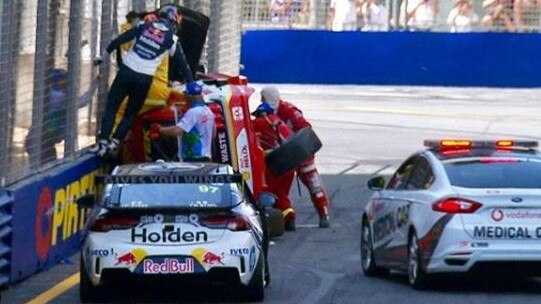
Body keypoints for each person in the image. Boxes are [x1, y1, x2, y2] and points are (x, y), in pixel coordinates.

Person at [90, 5, 193, 157]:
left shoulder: (143, 26)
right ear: (174, 22)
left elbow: (120, 40)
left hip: (127, 72)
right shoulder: (172, 39)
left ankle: (103, 141)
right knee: (130, 113)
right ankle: (115, 142)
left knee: (112, 107)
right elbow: (184, 66)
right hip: (145, 80)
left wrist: (102, 56)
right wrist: (192, 86)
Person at [260, 86, 331, 228]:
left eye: (262, 97)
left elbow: (306, 129)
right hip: (284, 158)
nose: (261, 100)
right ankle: (287, 219)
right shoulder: (265, 113)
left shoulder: (289, 110)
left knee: (314, 184)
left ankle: (323, 214)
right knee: (279, 189)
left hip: (301, 153)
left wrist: (300, 148)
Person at [25, 68, 97, 164]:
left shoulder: (51, 92)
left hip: (40, 140)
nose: (67, 81)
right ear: (58, 81)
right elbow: (84, 101)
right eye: (64, 79)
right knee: (45, 166)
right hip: (42, 141)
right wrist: (95, 84)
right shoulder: (59, 96)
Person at [252, 101, 297, 231]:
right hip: (290, 163)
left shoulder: (259, 123)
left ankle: (286, 217)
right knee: (281, 192)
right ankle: (287, 216)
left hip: (275, 164)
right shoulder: (279, 121)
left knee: (271, 193)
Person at [150, 82, 215, 162]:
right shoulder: (209, 111)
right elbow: (213, 134)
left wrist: (159, 129)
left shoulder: (193, 112)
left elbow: (176, 130)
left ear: (189, 96)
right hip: (206, 157)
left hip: (193, 159)